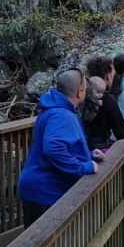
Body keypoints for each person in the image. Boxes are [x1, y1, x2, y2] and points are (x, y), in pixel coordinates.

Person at [18, 68, 98, 226]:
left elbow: (60, 144)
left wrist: (88, 154)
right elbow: (53, 148)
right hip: (46, 191)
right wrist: (83, 167)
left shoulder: (54, 109)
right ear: (79, 91)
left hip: (39, 187)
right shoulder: (61, 115)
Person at [85, 56, 124, 144]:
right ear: (108, 75)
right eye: (113, 72)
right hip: (100, 148)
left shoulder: (83, 95)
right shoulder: (108, 100)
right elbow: (122, 132)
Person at [81, 76, 112, 151]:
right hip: (92, 138)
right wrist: (96, 105)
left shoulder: (104, 101)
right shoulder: (86, 103)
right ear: (89, 90)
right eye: (98, 92)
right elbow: (87, 118)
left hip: (102, 137)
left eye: (102, 92)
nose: (100, 95)